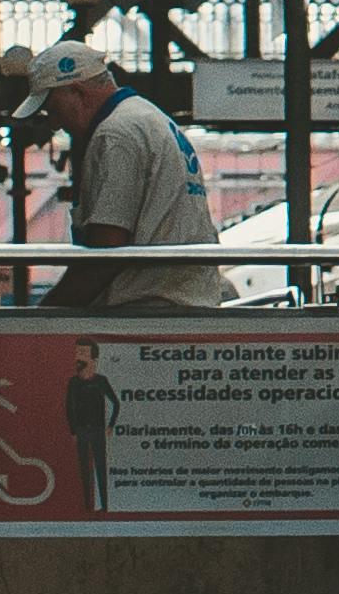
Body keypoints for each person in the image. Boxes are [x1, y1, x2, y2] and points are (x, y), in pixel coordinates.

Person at [27, 39, 224, 311]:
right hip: (183, 300)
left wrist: (42, 316)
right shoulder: (150, 118)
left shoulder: (116, 134)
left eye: (54, 109)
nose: (54, 123)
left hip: (148, 307)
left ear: (77, 92)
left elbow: (107, 250)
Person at [62, 342, 115, 506]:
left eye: (83, 353)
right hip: (81, 431)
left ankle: (105, 505)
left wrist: (110, 425)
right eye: (77, 352)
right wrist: (73, 432)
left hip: (98, 430)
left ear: (94, 359)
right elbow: (68, 408)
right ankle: (87, 506)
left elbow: (116, 403)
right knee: (84, 469)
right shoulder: (73, 382)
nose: (78, 357)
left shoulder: (101, 381)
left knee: (100, 467)